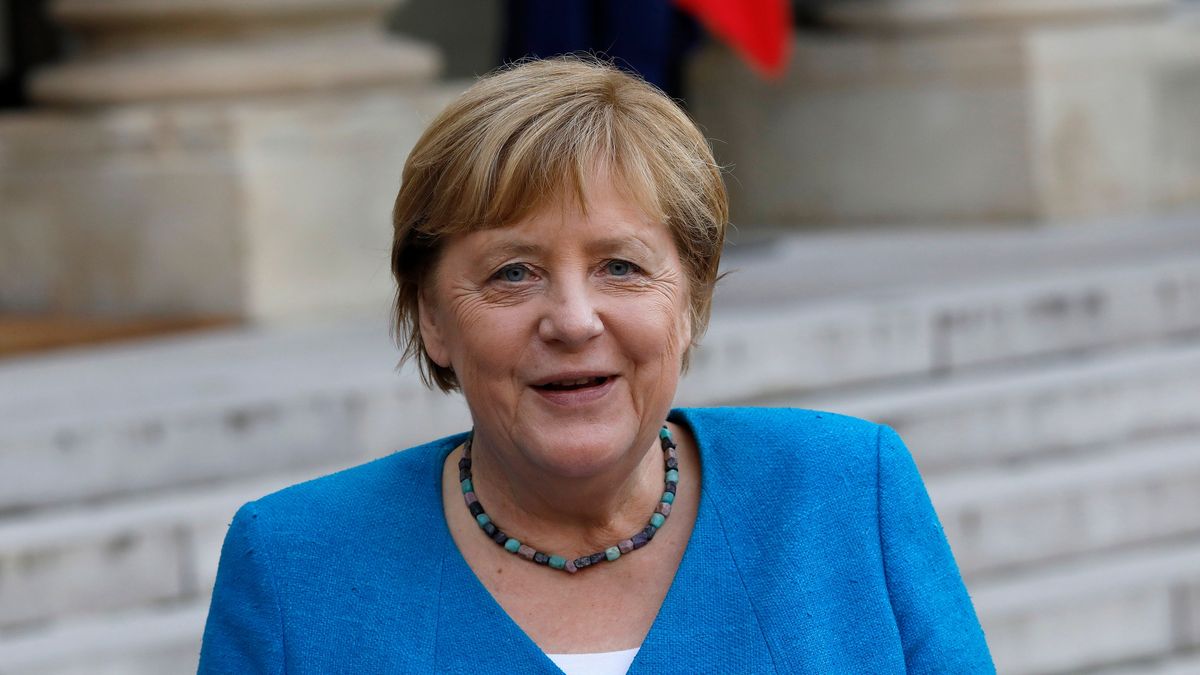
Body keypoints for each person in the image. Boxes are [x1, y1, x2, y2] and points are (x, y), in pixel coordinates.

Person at [198, 57, 994, 674]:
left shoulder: (849, 491)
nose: (574, 320)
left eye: (620, 265)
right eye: (513, 271)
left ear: (690, 298)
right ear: (432, 317)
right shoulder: (294, 565)